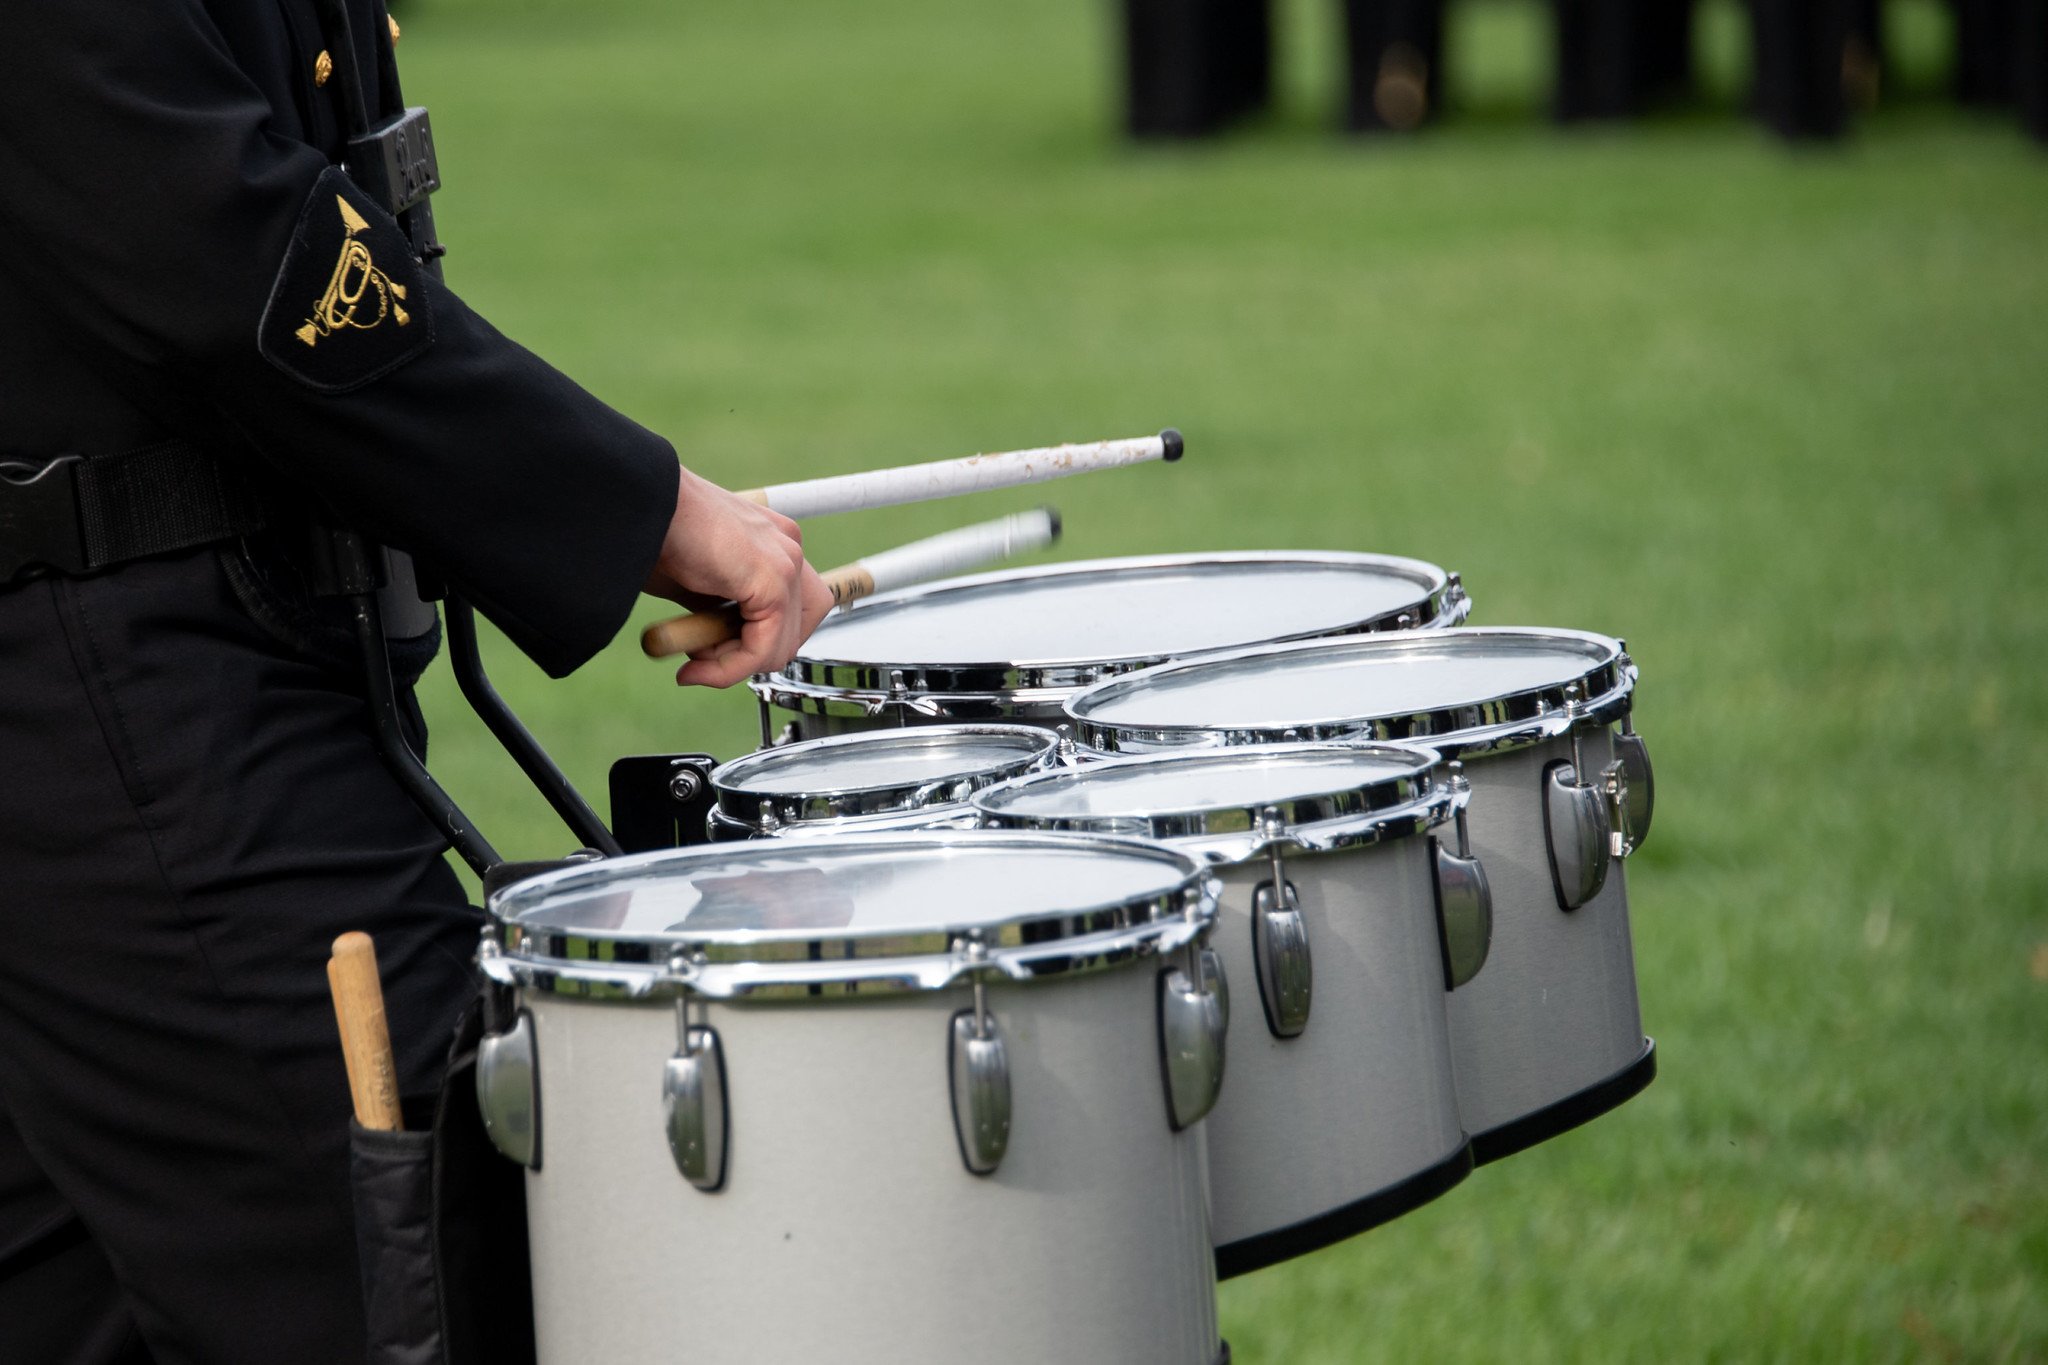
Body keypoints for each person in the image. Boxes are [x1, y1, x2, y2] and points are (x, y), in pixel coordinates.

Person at [0, 1, 834, 1360]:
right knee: (418, 1282)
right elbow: (224, 242)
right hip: (123, 704)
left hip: (156, 670)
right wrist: (634, 506)